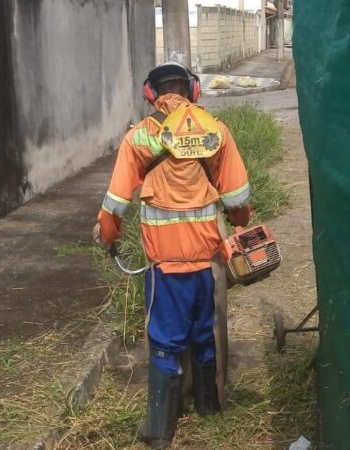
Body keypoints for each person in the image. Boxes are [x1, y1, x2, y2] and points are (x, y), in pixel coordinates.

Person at [93, 62, 251, 449]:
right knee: (204, 333)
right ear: (193, 91)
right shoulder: (216, 131)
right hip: (209, 261)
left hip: (164, 267)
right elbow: (239, 200)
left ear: (150, 94)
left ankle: (160, 429)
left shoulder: (140, 139)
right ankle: (209, 408)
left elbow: (113, 207)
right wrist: (240, 224)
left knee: (165, 340)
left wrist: (107, 237)